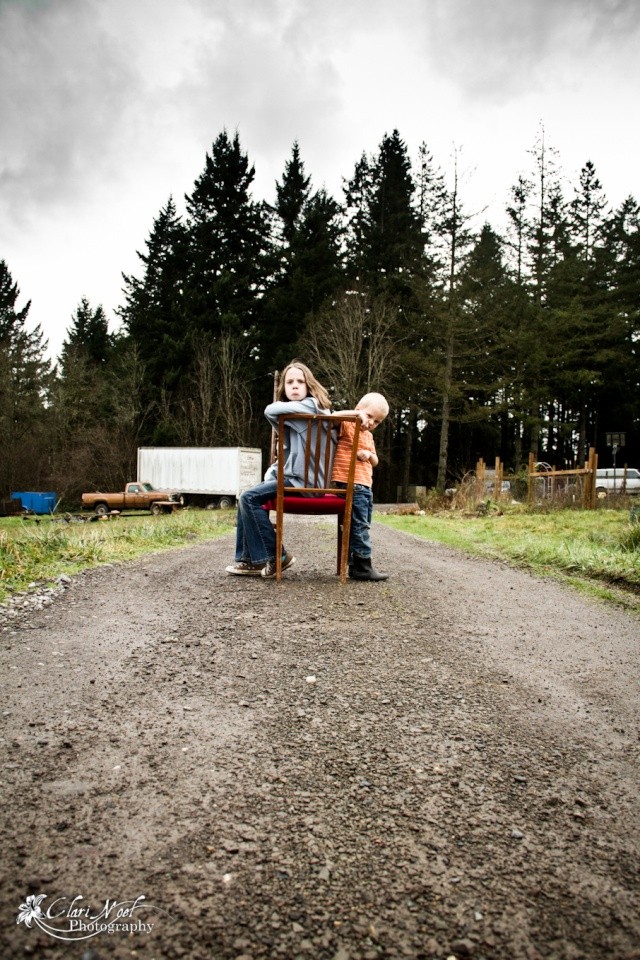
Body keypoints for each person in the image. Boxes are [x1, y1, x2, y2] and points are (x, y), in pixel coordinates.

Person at [225, 360, 332, 579]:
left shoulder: (313, 407)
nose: (294, 386)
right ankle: (249, 560)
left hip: (306, 483)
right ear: (283, 387)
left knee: (249, 498)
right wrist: (271, 475)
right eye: (289, 382)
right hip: (296, 479)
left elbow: (269, 410)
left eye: (300, 381)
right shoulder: (293, 418)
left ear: (309, 385)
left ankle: (279, 556)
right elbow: (286, 456)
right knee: (248, 496)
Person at [331, 392, 390, 581]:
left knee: (362, 524)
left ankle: (355, 564)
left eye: (377, 421)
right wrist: (356, 415)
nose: (371, 423)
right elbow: (331, 417)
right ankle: (364, 565)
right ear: (358, 409)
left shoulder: (369, 437)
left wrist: (368, 454)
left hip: (364, 486)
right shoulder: (348, 424)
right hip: (349, 482)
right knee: (359, 525)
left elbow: (375, 461)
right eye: (369, 416)